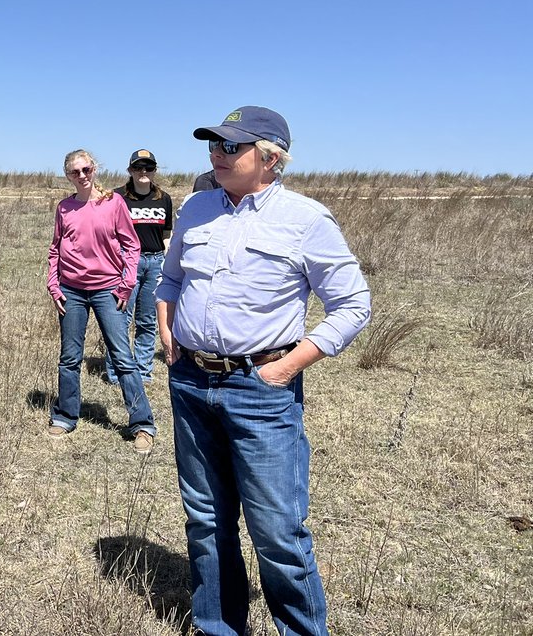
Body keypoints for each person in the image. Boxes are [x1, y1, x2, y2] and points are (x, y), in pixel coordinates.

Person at [156, 105, 371, 636]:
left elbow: (353, 304)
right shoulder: (195, 208)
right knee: (206, 521)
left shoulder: (306, 218)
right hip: (189, 381)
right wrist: (167, 335)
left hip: (261, 389)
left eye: (232, 146)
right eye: (214, 145)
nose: (217, 154)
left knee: (276, 531)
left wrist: (290, 365)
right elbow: (171, 279)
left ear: (271, 158)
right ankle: (220, 627)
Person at [46, 150, 155, 453]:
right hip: (72, 292)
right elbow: (55, 249)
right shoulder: (65, 207)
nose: (81, 176)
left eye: (86, 169)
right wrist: (54, 285)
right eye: (74, 172)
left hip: (108, 289)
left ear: (95, 169)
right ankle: (66, 415)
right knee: (70, 357)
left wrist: (126, 284)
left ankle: (142, 423)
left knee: (122, 356)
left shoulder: (113, 203)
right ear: (67, 175)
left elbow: (132, 245)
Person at [108, 149, 173, 383]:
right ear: (130, 171)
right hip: (127, 262)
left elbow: (166, 231)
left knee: (147, 320)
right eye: (138, 167)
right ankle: (117, 372)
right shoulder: (117, 198)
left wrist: (168, 258)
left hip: (155, 262)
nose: (143, 172)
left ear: (155, 170)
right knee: (121, 318)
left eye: (148, 167)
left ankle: (143, 371)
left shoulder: (163, 198)